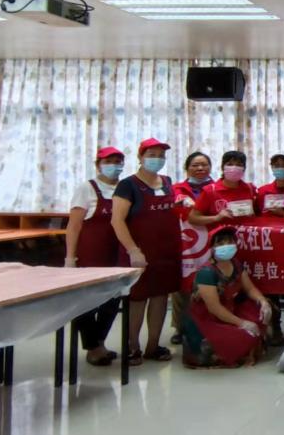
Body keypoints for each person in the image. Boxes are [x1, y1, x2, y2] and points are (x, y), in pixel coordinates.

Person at [111, 138, 181, 365]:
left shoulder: (167, 182)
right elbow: (117, 221)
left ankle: (153, 345)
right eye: (152, 155)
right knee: (137, 299)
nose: (157, 159)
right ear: (140, 157)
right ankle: (132, 346)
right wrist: (133, 250)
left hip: (166, 252)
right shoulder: (128, 185)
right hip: (139, 253)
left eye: (161, 156)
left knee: (160, 297)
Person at [64, 146, 124, 366]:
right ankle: (93, 347)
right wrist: (70, 258)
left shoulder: (125, 188)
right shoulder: (86, 189)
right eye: (108, 161)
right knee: (86, 303)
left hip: (116, 255)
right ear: (98, 165)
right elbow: (74, 226)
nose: (113, 165)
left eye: (118, 161)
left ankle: (99, 343)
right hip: (90, 255)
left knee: (113, 300)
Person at [181, 227, 273, 368]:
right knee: (245, 336)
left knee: (262, 316)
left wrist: (263, 301)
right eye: (220, 243)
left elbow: (250, 288)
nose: (226, 246)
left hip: (230, 309)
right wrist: (242, 323)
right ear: (212, 248)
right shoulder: (206, 272)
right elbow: (214, 308)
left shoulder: (236, 264)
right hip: (208, 319)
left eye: (229, 242)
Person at [169, 151, 211, 346]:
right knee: (182, 288)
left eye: (204, 165)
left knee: (208, 286)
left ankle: (206, 325)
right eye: (195, 165)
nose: (200, 168)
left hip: (209, 242)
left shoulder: (215, 188)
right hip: (184, 243)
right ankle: (180, 327)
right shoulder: (176, 189)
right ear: (187, 168)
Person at [189, 150, 259, 227]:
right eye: (230, 164)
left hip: (247, 232)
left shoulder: (250, 189)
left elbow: (258, 213)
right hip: (222, 233)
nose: (234, 168)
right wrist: (216, 218)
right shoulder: (210, 191)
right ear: (222, 167)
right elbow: (193, 218)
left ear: (244, 169)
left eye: (239, 165)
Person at [256, 151, 284, 218]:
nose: (281, 168)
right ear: (272, 168)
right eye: (277, 165)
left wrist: (283, 213)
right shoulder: (262, 191)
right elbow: (255, 216)